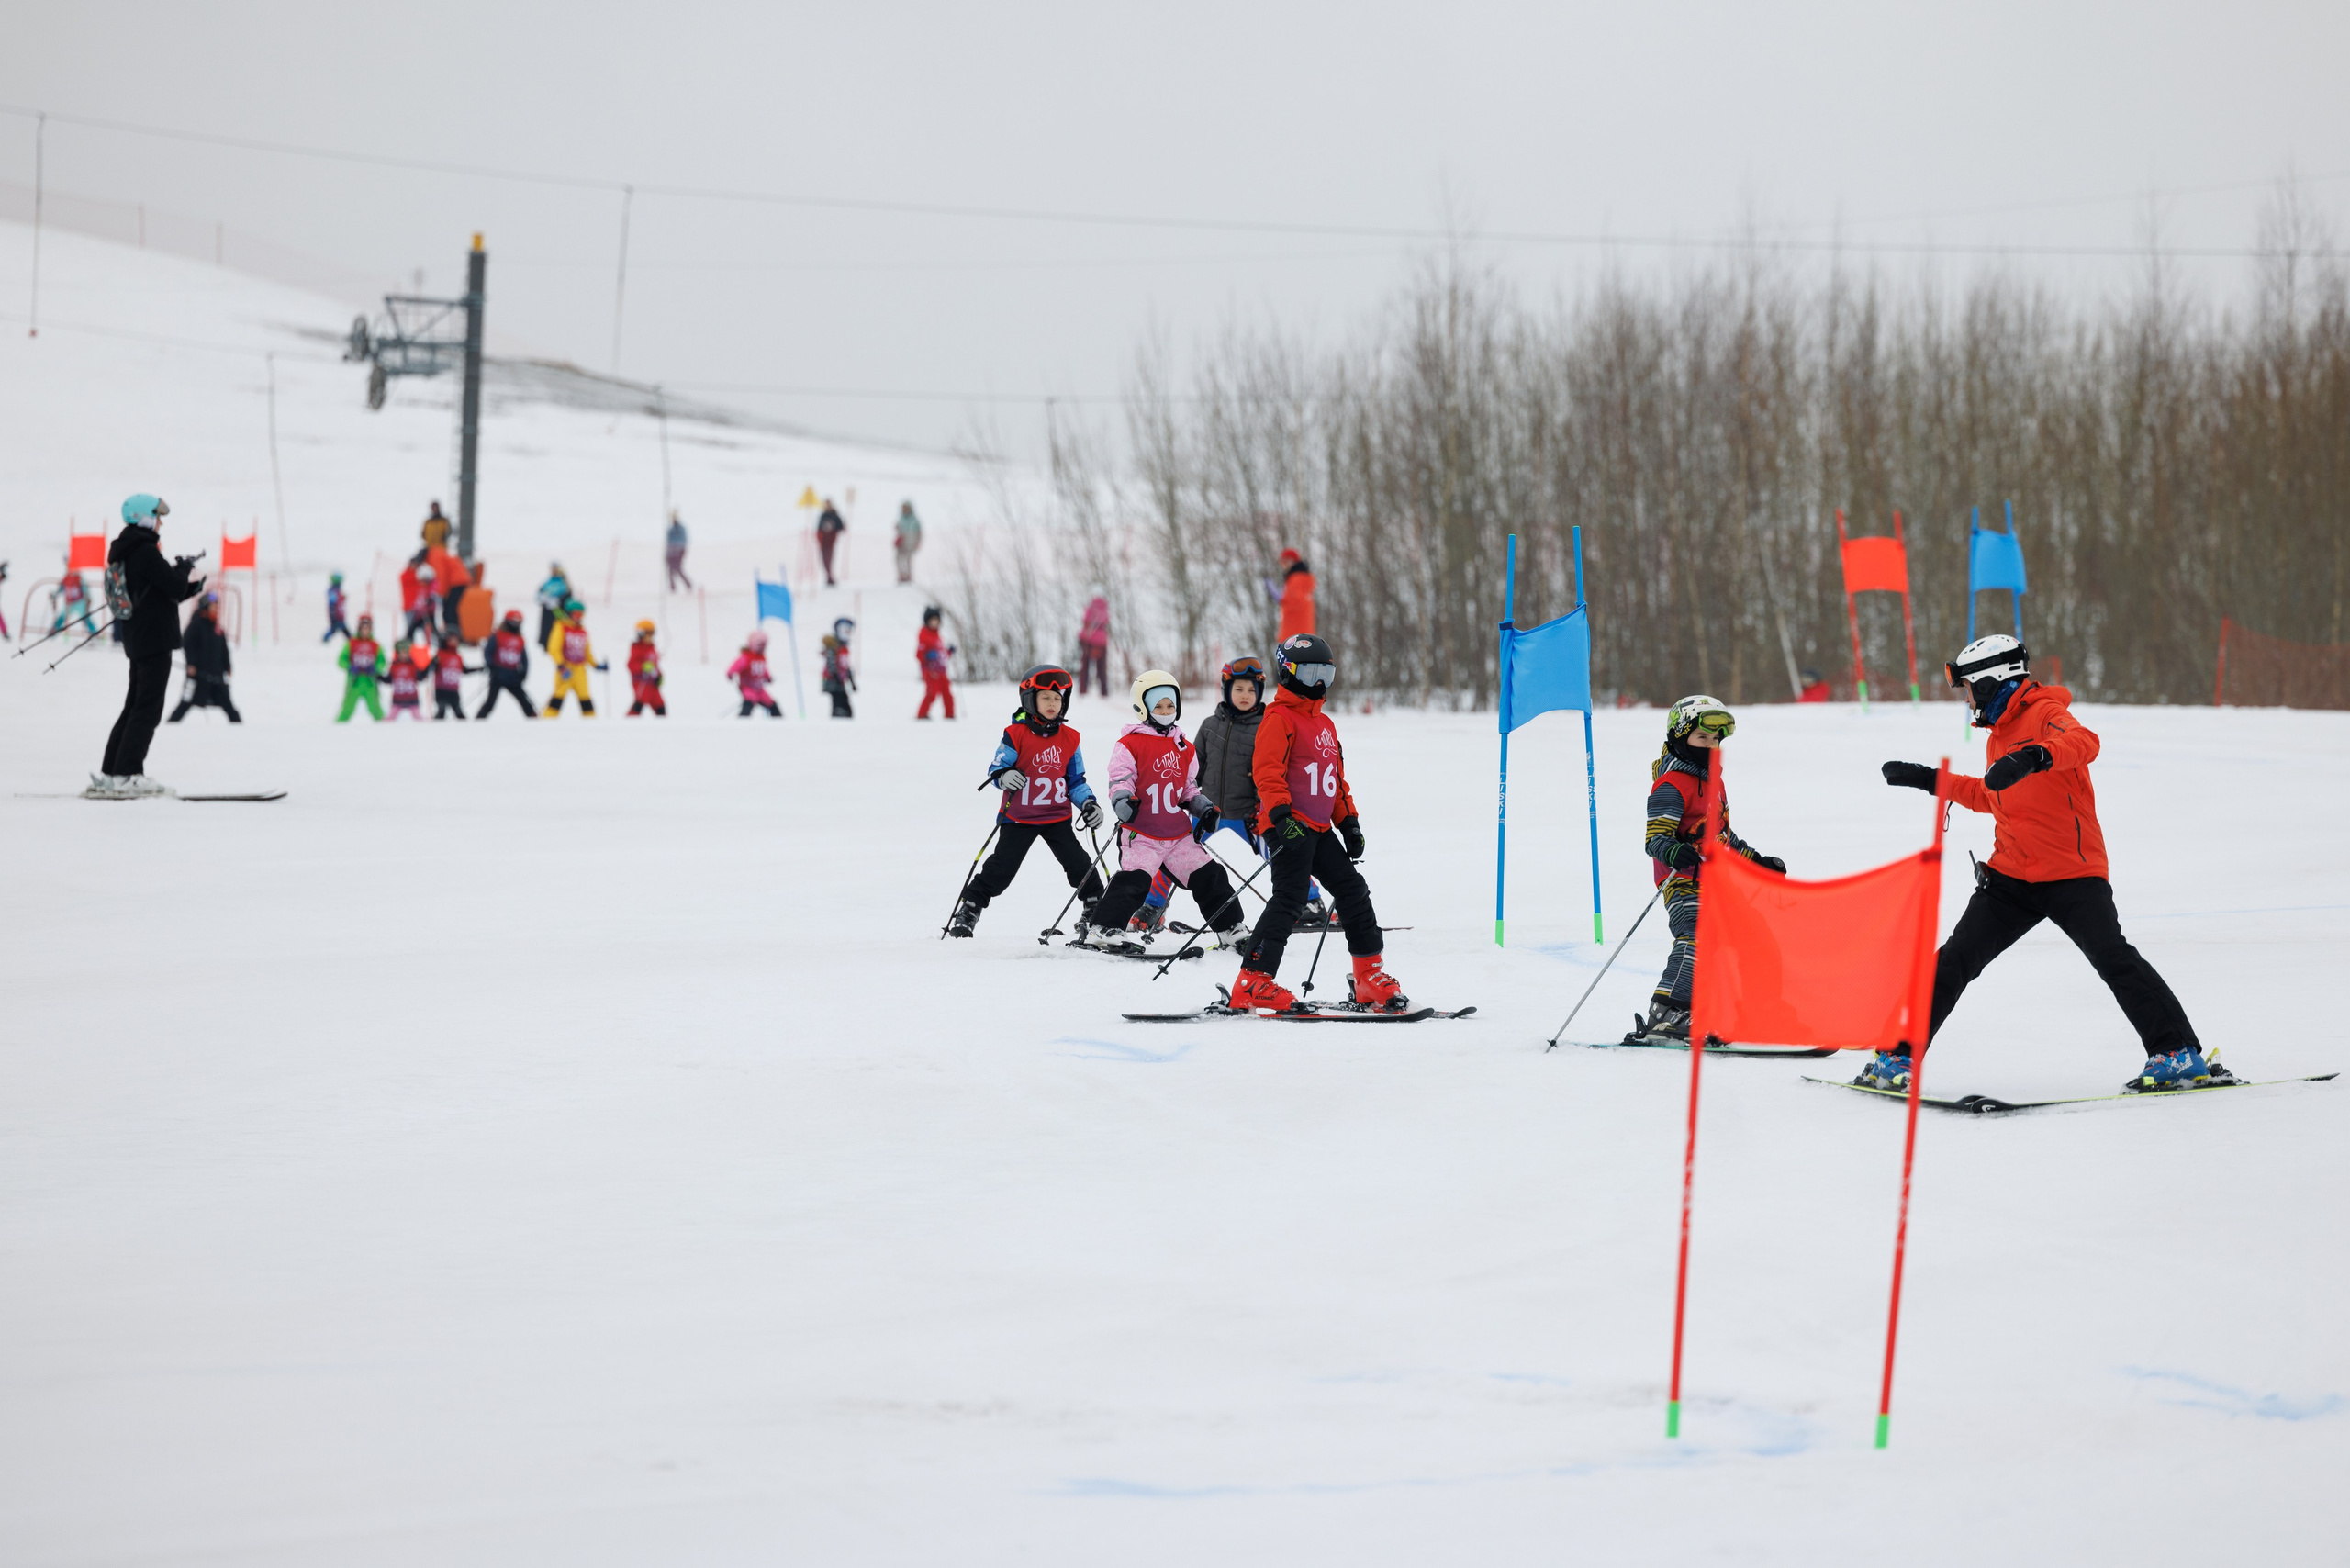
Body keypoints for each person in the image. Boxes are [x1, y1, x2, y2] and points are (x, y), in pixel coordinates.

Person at [1864, 636, 2210, 1092]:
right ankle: (1895, 1057)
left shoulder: (2044, 712)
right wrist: (1931, 781)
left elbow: (2085, 742)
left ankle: (2178, 1054)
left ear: (1994, 682)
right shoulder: (1999, 734)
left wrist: (2036, 756)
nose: (1967, 699)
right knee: (1955, 959)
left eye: (1970, 688)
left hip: (2072, 871)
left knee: (2113, 958)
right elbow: (1992, 796)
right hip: (2011, 874)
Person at [1226, 634, 1407, 1013]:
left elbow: (1335, 781)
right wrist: (1280, 817)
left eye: (1327, 673)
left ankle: (1368, 977)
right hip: (1288, 826)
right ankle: (1252, 981)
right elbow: (1267, 773)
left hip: (1321, 829)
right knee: (1290, 898)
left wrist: (1350, 822)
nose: (1320, 682)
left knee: (1353, 891)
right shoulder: (1278, 718)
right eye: (1311, 672)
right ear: (1289, 672)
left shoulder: (1325, 724)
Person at [1627, 696, 1787, 1044]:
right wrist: (1674, 850)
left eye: (1716, 740)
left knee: (1758, 938)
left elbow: (1721, 837)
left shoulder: (1714, 784)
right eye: (1703, 738)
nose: (1711, 746)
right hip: (1683, 883)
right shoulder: (1671, 785)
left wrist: (1756, 861)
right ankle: (1667, 1012)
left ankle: (1760, 1008)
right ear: (1680, 737)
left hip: (1718, 883)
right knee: (1696, 936)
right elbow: (1655, 839)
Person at [1076, 673, 1246, 953]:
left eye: (1170, 706)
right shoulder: (1130, 744)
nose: (1166, 712)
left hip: (1177, 835)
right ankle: (1103, 929)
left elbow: (1187, 790)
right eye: (1159, 707)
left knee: (1210, 875)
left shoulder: (1184, 747)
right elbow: (1120, 779)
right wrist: (1122, 801)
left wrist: (1203, 808)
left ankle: (1230, 928)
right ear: (1143, 709)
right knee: (1136, 880)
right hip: (1142, 833)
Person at [947, 665, 1106, 937]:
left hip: (1057, 818)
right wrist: (1004, 776)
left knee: (1079, 864)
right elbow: (996, 768)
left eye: (1058, 699)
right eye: (1045, 697)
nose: (1052, 704)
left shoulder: (1070, 739)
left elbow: (1076, 781)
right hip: (1019, 818)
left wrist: (1090, 804)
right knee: (1001, 869)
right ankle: (969, 909)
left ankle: (1094, 909)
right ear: (1029, 699)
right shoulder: (1015, 734)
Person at [87, 494, 202, 798]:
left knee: (134, 707)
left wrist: (189, 585)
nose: (160, 521)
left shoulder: (127, 549)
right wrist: (184, 568)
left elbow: (163, 592)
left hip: (139, 638)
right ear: (143, 517)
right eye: (157, 516)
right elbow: (173, 585)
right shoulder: (147, 551)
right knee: (147, 710)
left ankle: (112, 773)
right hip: (154, 640)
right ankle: (129, 774)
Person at [168, 593, 241, 723]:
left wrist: (227, 665)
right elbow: (187, 645)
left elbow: (224, 649)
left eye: (218, 607)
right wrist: (191, 664)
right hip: (198, 677)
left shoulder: (217, 628)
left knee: (230, 709)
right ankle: (169, 728)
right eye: (214, 607)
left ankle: (241, 733)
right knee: (185, 704)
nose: (216, 610)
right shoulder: (196, 625)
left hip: (216, 677)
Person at [544, 599, 603, 716]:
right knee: (558, 697)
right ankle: (547, 721)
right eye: (575, 614)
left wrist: (595, 665)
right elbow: (554, 649)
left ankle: (591, 724)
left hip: (580, 670)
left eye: (581, 614)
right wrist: (561, 666)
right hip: (566, 669)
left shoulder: (582, 630)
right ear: (569, 614)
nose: (578, 617)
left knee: (585, 698)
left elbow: (587, 651)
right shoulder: (561, 627)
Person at [477, 609, 537, 718]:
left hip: (513, 675)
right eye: (514, 622)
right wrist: (491, 666)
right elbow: (488, 651)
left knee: (524, 701)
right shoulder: (497, 635)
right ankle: (477, 721)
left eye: (518, 622)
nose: (516, 625)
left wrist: (524, 672)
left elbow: (524, 658)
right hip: (498, 674)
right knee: (490, 702)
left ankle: (535, 720)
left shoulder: (520, 639)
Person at [336, 614, 388, 722]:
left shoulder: (375, 645)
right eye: (363, 628)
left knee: (376, 709)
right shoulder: (351, 643)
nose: (365, 631)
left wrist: (376, 668)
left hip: (370, 682)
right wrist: (349, 666)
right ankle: (336, 729)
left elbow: (382, 662)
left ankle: (384, 729)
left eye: (367, 628)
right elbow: (341, 660)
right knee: (347, 709)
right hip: (354, 681)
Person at [728, 630, 782, 717]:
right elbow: (736, 666)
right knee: (749, 702)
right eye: (760, 645)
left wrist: (768, 678)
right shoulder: (746, 657)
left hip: (759, 689)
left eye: (764, 646)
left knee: (772, 704)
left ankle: (780, 724)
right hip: (747, 687)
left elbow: (763, 670)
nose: (762, 648)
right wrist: (730, 673)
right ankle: (741, 723)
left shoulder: (761, 658)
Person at [915, 606, 956, 719]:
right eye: (932, 620)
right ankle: (922, 714)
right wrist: (928, 656)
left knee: (947, 693)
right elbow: (919, 654)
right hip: (930, 671)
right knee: (931, 693)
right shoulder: (924, 635)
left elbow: (941, 655)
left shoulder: (937, 636)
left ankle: (950, 714)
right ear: (927, 621)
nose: (934, 623)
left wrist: (949, 652)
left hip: (941, 670)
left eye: (936, 620)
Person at [429, 631, 474, 720]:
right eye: (451, 640)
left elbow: (464, 670)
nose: (454, 642)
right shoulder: (440, 654)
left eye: (456, 640)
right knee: (441, 711)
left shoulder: (458, 657)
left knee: (459, 713)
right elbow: (430, 669)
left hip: (454, 691)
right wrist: (433, 663)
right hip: (441, 689)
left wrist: (480, 669)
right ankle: (435, 731)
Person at [626, 620, 666, 716]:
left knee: (660, 704)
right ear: (641, 634)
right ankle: (628, 724)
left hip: (652, 683)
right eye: (648, 634)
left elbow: (655, 665)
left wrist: (659, 675)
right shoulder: (637, 648)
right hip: (641, 682)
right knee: (640, 702)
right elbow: (631, 664)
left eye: (652, 634)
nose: (650, 637)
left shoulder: (652, 648)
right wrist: (643, 666)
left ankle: (663, 726)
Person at [1275, 549, 1315, 641]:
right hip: (1301, 631)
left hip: (1294, 632)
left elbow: (1294, 602)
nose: (1283, 565)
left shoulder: (1296, 579)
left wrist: (1280, 598)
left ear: (1291, 561)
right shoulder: (1301, 578)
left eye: (1284, 562)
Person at [384, 633, 427, 721]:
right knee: (390, 718)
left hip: (412, 698)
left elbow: (420, 677)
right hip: (398, 699)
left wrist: (429, 667)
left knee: (418, 717)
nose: (404, 655)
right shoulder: (394, 665)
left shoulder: (413, 665)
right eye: (402, 652)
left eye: (406, 652)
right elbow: (389, 679)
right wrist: (378, 676)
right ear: (398, 653)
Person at [1076, 590, 1111, 696]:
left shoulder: (1090, 608)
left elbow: (1085, 622)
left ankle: (1083, 690)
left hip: (1089, 641)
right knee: (1102, 668)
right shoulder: (1105, 608)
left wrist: (1081, 638)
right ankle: (1104, 691)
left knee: (1085, 666)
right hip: (1103, 642)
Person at [53, 566, 99, 637]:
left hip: (79, 602)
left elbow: (85, 589)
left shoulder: (79, 578)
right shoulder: (66, 578)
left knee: (86, 618)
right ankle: (53, 632)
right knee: (62, 617)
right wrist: (54, 595)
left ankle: (94, 633)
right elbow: (60, 589)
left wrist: (88, 598)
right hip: (69, 603)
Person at [536, 562, 571, 649]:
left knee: (558, 626)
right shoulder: (547, 582)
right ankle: (546, 643)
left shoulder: (563, 582)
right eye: (552, 569)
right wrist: (544, 599)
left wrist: (559, 601)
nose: (554, 571)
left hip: (559, 610)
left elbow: (569, 594)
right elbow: (539, 594)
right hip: (548, 610)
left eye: (556, 569)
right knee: (547, 627)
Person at [403, 559, 439, 644]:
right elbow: (419, 599)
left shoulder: (431, 588)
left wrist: (430, 602)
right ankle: (409, 644)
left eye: (425, 580)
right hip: (419, 613)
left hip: (429, 614)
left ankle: (436, 643)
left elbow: (433, 597)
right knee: (411, 629)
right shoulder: (421, 588)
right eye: (421, 580)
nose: (423, 582)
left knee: (431, 629)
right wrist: (416, 606)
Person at [820, 633, 856, 718]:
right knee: (838, 697)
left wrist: (851, 681)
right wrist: (836, 676)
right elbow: (831, 664)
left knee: (842, 697)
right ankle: (839, 713)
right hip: (833, 681)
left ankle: (843, 712)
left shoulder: (842, 650)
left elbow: (845, 666)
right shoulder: (833, 651)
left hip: (839, 680)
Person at [815, 498, 845, 586]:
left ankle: (830, 577)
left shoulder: (835, 515)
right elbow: (819, 529)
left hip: (831, 541)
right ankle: (828, 576)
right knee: (824, 560)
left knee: (829, 559)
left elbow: (841, 527)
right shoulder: (823, 516)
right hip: (823, 542)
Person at [893, 500, 923, 584]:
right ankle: (901, 575)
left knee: (908, 560)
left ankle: (908, 576)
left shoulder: (915, 520)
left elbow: (919, 533)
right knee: (898, 559)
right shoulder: (901, 518)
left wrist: (918, 543)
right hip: (902, 543)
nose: (904, 510)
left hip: (911, 542)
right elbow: (899, 529)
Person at [665, 510, 691, 591]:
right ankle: (673, 587)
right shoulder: (670, 530)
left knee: (678, 569)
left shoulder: (681, 529)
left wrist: (681, 552)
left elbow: (683, 541)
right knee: (670, 570)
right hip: (671, 553)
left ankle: (688, 584)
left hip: (678, 553)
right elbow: (669, 543)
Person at [323, 572, 351, 643]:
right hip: (336, 616)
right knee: (338, 629)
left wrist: (343, 598)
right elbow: (332, 603)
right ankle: (325, 639)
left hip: (339, 615)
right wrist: (333, 614)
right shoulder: (333, 591)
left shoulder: (338, 591)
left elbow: (339, 602)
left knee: (337, 629)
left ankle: (351, 640)